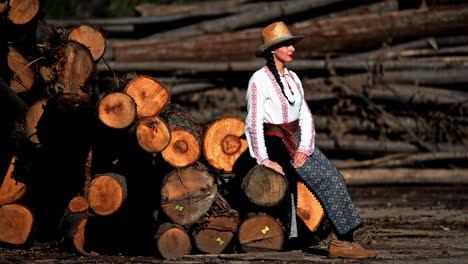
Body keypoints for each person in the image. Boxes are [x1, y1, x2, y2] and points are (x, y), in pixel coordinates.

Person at [244, 21, 377, 259]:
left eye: (291, 43)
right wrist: (263, 159)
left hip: (297, 140)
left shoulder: (293, 78)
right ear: (272, 49)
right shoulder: (259, 79)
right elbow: (253, 121)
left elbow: (305, 114)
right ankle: (342, 242)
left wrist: (305, 146)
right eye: (285, 44)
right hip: (276, 141)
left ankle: (343, 238)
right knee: (327, 180)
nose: (292, 48)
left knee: (334, 176)